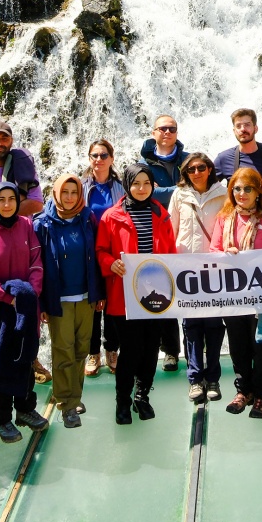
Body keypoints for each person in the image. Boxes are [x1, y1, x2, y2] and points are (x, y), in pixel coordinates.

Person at [97, 164, 179, 424]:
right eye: (136, 183)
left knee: (151, 348)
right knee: (131, 350)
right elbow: (100, 251)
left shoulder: (161, 214)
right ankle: (122, 400)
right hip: (124, 296)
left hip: (156, 295)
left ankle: (142, 395)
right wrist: (110, 263)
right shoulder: (111, 216)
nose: (141, 188)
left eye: (146, 183)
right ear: (127, 185)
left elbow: (171, 254)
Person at [0, 182, 49, 442]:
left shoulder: (26, 226)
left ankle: (26, 409)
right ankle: (1, 418)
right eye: (2, 199)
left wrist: (31, 293)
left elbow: (36, 263)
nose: (7, 204)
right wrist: (9, 298)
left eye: (11, 199)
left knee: (25, 357)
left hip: (27, 305)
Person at [215, 167, 262, 418]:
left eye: (248, 188)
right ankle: (243, 390)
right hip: (233, 296)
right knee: (238, 345)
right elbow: (213, 251)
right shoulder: (224, 219)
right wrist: (224, 254)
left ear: (258, 191)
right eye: (237, 188)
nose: (242, 193)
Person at [34, 174, 105, 428]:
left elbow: (96, 255)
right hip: (59, 298)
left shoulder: (87, 219)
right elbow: (37, 265)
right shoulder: (42, 224)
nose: (70, 197)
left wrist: (99, 293)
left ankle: (74, 393)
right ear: (56, 193)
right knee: (63, 348)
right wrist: (41, 302)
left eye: (74, 192)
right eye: (65, 192)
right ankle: (67, 403)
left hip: (85, 297)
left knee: (81, 348)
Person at [170, 151, 229, 403]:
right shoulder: (178, 195)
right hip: (187, 269)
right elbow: (172, 228)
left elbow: (229, 226)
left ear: (209, 169)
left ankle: (213, 377)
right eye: (191, 169)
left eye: (201, 168)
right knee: (191, 327)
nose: (196, 173)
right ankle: (195, 379)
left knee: (214, 327)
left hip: (215, 269)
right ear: (185, 173)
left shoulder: (223, 194)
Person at [138, 115, 187, 370]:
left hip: (186, 227)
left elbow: (192, 186)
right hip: (154, 227)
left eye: (172, 128)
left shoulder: (189, 160)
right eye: (162, 128)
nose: (167, 132)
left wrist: (162, 190)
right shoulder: (142, 162)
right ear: (153, 132)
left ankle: (186, 349)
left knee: (189, 289)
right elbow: (142, 191)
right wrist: (177, 189)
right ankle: (166, 350)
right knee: (160, 287)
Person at [83, 140, 126, 377]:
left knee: (112, 303)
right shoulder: (80, 187)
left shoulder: (120, 188)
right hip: (88, 254)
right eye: (94, 155)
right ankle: (93, 353)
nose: (98, 159)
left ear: (111, 158)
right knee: (92, 304)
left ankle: (112, 349)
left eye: (103, 155)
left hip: (113, 252)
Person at [213, 107, 262, 185]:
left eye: (247, 125)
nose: (243, 129)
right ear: (234, 131)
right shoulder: (223, 159)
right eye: (238, 126)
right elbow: (206, 187)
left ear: (255, 128)